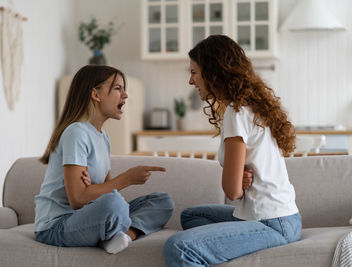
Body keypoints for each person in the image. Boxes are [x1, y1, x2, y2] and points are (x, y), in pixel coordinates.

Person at [163, 35, 301, 266]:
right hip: (285, 217)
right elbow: (237, 185)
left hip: (271, 222)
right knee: (192, 216)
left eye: (194, 72)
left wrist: (236, 178)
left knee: (178, 247)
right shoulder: (251, 107)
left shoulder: (236, 113)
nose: (191, 81)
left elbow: (232, 192)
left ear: (213, 72)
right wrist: (238, 176)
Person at [34, 65, 174, 254]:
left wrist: (94, 191)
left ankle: (124, 236)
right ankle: (113, 233)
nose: (125, 95)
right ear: (96, 94)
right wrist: (128, 178)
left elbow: (106, 190)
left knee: (162, 201)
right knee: (115, 204)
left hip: (87, 215)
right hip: (57, 225)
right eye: (117, 88)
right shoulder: (76, 133)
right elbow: (77, 199)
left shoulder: (103, 137)